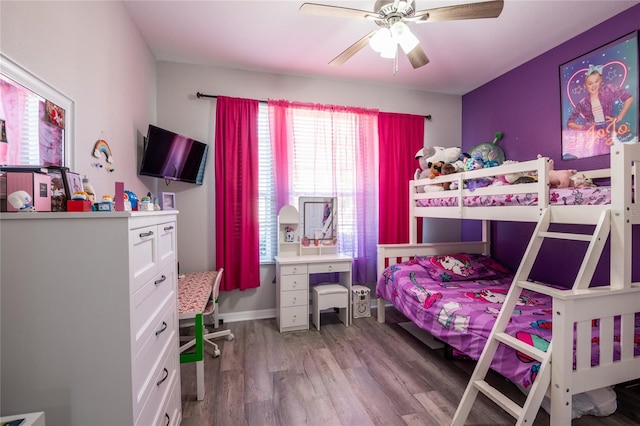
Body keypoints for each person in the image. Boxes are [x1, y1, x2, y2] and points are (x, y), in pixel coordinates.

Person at [567, 64, 633, 131]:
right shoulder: (582, 103)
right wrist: (584, 128)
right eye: (590, 83)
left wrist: (619, 117)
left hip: (611, 129)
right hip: (594, 134)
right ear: (585, 86)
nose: (594, 85)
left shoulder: (609, 89)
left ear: (601, 81)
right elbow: (570, 123)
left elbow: (629, 98)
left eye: (596, 81)